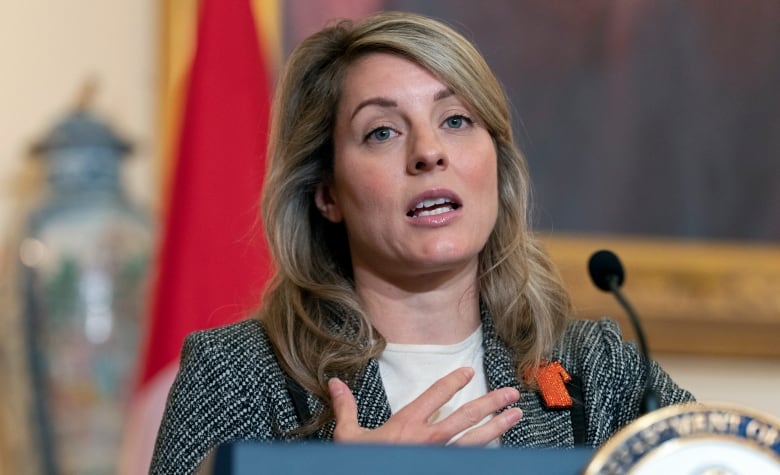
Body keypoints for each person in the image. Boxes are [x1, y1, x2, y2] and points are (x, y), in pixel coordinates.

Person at [151, 11, 693, 473]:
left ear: (496, 165)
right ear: (327, 194)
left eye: (456, 120)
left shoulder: (597, 369)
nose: (429, 151)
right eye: (382, 131)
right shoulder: (239, 373)